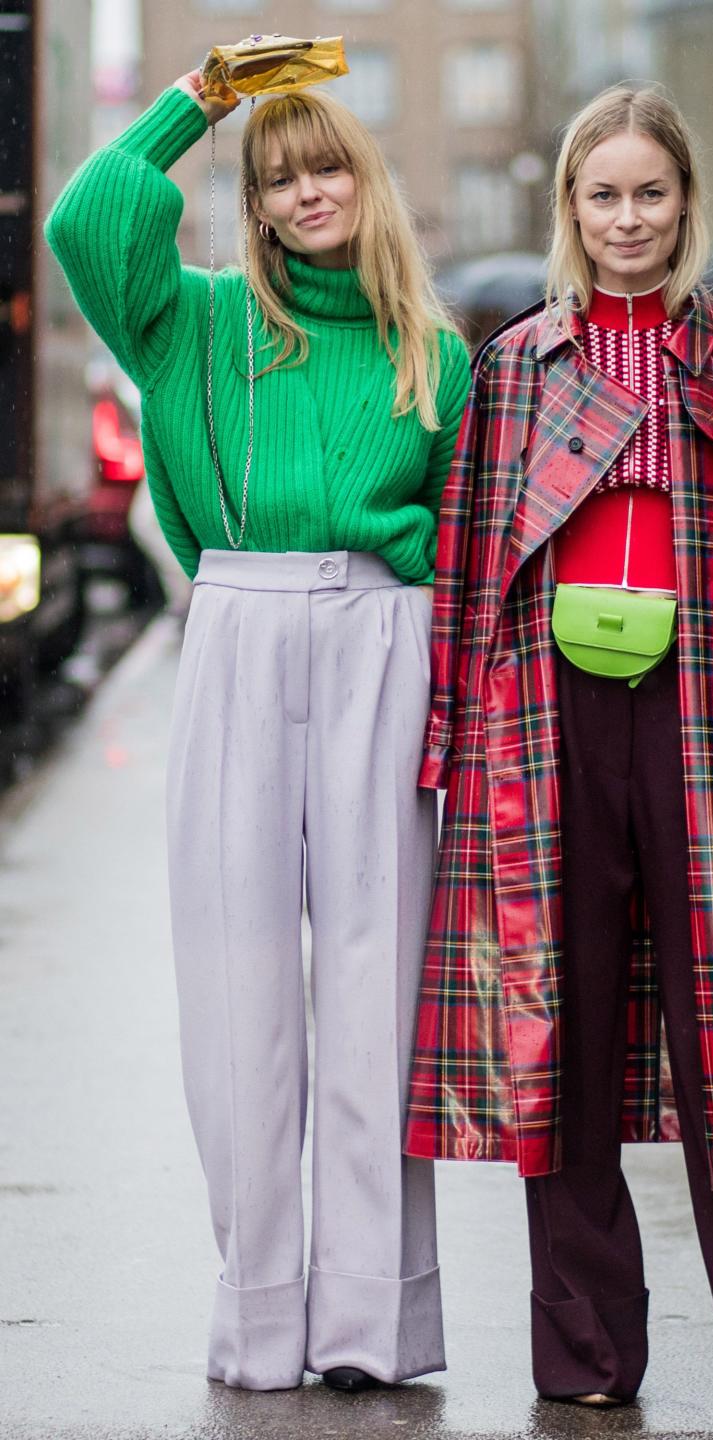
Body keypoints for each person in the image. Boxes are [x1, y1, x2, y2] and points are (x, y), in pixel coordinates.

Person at [404, 84, 713, 1423]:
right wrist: (457, 743)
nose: (627, 220)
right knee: (562, 1058)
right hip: (548, 729)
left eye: (650, 194)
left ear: (686, 202)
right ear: (572, 207)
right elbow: (471, 572)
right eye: (602, 196)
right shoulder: (512, 366)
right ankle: (589, 1368)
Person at [46, 68, 471, 1392]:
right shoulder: (193, 324)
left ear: (365, 181)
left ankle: (369, 1320)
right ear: (256, 204)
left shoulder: (435, 352)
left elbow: (460, 543)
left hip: (386, 638)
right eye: (280, 176)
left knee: (375, 977)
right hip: (238, 623)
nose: (307, 190)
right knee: (236, 986)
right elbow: (85, 218)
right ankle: (257, 1309)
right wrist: (202, 96)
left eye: (327, 167)